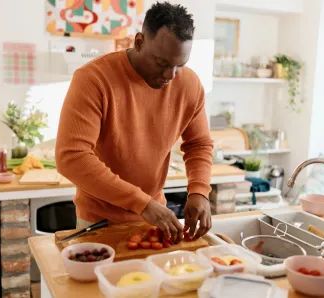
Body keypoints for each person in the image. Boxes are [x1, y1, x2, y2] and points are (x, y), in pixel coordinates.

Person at [56, 1, 213, 244]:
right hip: (99, 222)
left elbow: (198, 144)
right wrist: (141, 203)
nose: (170, 76)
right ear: (139, 41)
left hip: (153, 216)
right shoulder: (93, 79)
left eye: (180, 65)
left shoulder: (190, 85)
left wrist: (199, 191)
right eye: (162, 63)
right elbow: (72, 157)